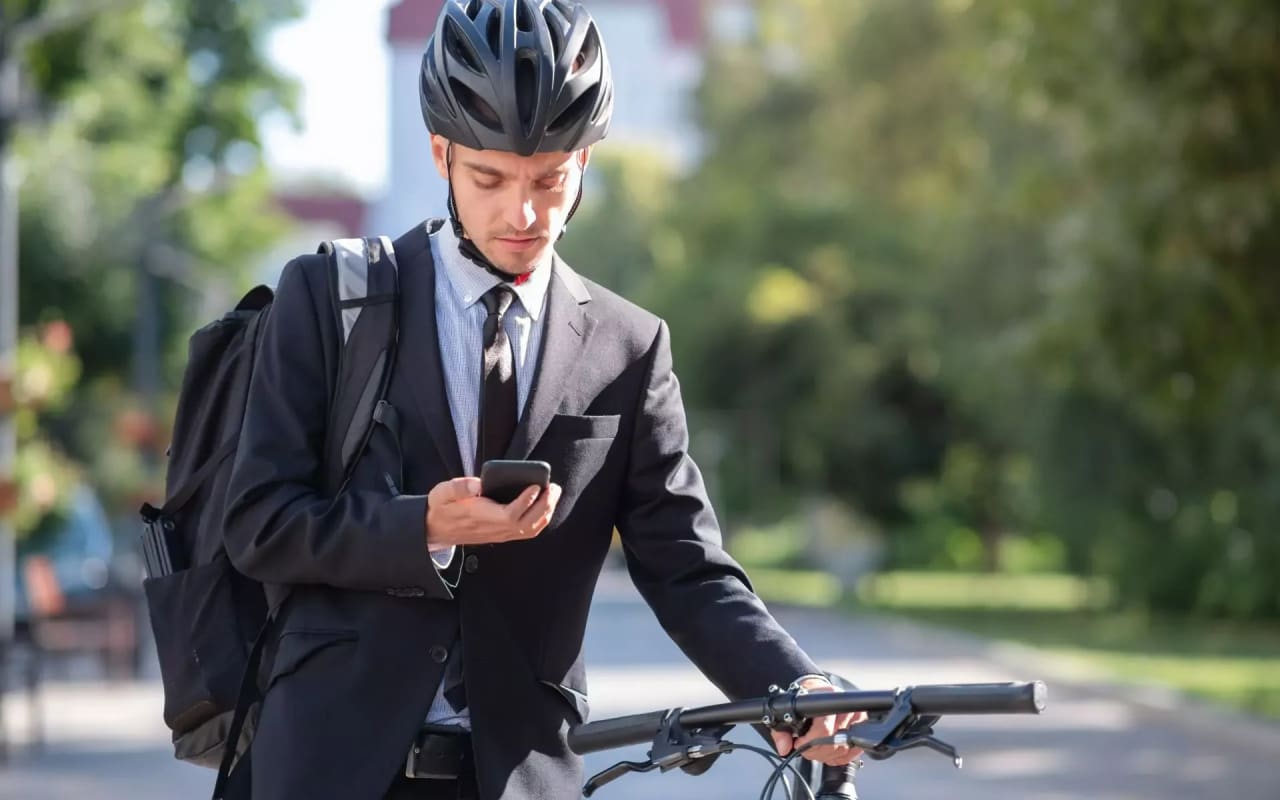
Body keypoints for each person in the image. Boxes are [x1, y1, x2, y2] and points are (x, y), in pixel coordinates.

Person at [222, 1, 862, 798]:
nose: (523, 213)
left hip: (519, 777)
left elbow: (687, 568)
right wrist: (418, 525)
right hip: (328, 770)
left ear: (585, 164)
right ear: (441, 154)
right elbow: (257, 523)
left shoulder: (631, 348)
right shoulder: (329, 298)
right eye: (489, 177)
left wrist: (791, 683)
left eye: (549, 179)